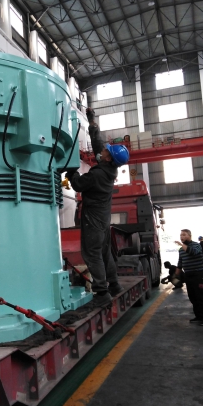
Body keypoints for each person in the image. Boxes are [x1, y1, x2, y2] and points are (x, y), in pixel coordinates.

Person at [65, 108, 130, 307]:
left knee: (92, 253)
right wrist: (92, 123)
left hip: (93, 218)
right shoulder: (109, 169)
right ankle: (114, 285)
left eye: (106, 152)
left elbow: (78, 184)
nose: (103, 151)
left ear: (109, 158)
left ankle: (102, 292)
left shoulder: (98, 175)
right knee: (104, 252)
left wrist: (71, 170)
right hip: (103, 219)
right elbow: (98, 145)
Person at [175, 229, 203, 325]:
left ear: (189, 236)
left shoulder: (196, 245)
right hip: (188, 274)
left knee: (200, 295)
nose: (181, 236)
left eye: (184, 235)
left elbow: (192, 252)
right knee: (192, 296)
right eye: (181, 235)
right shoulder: (181, 250)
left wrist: (181, 244)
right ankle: (198, 316)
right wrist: (175, 276)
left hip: (199, 274)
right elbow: (180, 263)